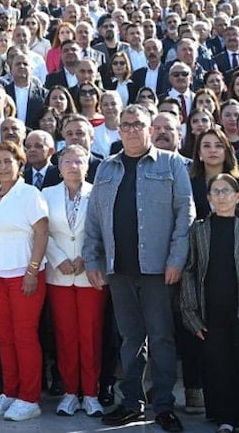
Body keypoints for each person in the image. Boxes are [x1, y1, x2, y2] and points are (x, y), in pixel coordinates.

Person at [83, 105, 190, 432]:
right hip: (119, 269)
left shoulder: (172, 163)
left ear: (149, 128)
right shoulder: (106, 169)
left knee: (160, 338)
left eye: (138, 124)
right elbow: (93, 219)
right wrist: (92, 258)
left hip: (157, 269)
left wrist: (176, 259)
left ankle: (163, 405)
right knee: (130, 338)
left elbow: (185, 214)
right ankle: (131, 402)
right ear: (119, 130)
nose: (131, 129)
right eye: (126, 125)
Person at [180, 173, 239, 433]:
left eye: (226, 191)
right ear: (209, 198)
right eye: (216, 192)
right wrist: (190, 315)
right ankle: (224, 417)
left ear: (237, 196)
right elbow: (189, 272)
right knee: (218, 364)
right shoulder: (199, 230)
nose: (221, 196)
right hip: (212, 310)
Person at [0, 140, 49, 422]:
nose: (3, 167)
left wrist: (32, 271)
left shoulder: (29, 194)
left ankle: (30, 398)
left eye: (8, 161)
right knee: (5, 338)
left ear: (20, 164)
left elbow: (42, 232)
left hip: (24, 274)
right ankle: (10, 391)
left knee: (25, 337)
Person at [42, 144, 106, 417]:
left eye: (79, 161)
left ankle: (91, 393)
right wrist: (58, 259)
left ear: (87, 165)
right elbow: (42, 233)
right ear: (59, 165)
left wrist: (86, 258)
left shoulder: (99, 193)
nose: (72, 166)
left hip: (90, 274)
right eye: (67, 161)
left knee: (91, 335)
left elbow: (105, 231)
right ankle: (70, 393)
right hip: (59, 274)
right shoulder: (46, 195)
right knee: (65, 335)